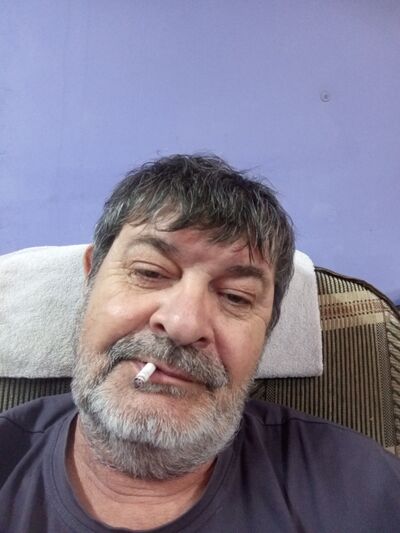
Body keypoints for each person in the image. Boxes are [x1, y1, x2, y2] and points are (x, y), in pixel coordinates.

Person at [0, 154, 399, 533]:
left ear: (268, 330)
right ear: (91, 278)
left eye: (236, 297)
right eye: (149, 272)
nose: (183, 325)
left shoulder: (362, 489)